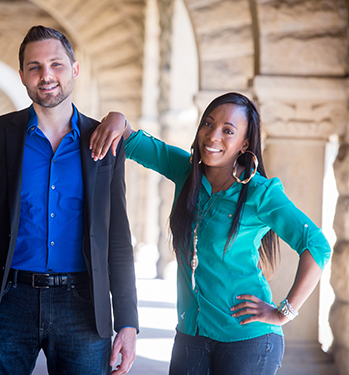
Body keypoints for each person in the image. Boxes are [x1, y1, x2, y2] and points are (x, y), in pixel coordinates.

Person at [89, 92, 331, 375]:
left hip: (247, 338)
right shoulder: (185, 172)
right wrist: (116, 118)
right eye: (208, 123)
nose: (213, 136)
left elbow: (316, 244)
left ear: (245, 143)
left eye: (228, 130)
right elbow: (132, 140)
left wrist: (284, 311)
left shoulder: (261, 193)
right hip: (190, 333)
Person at [0, 25, 139, 375]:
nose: (46, 75)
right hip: (7, 301)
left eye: (56, 64)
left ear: (75, 69)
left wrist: (128, 322)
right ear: (22, 76)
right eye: (34, 67)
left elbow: (118, 238)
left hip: (83, 306)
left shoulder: (105, 141)